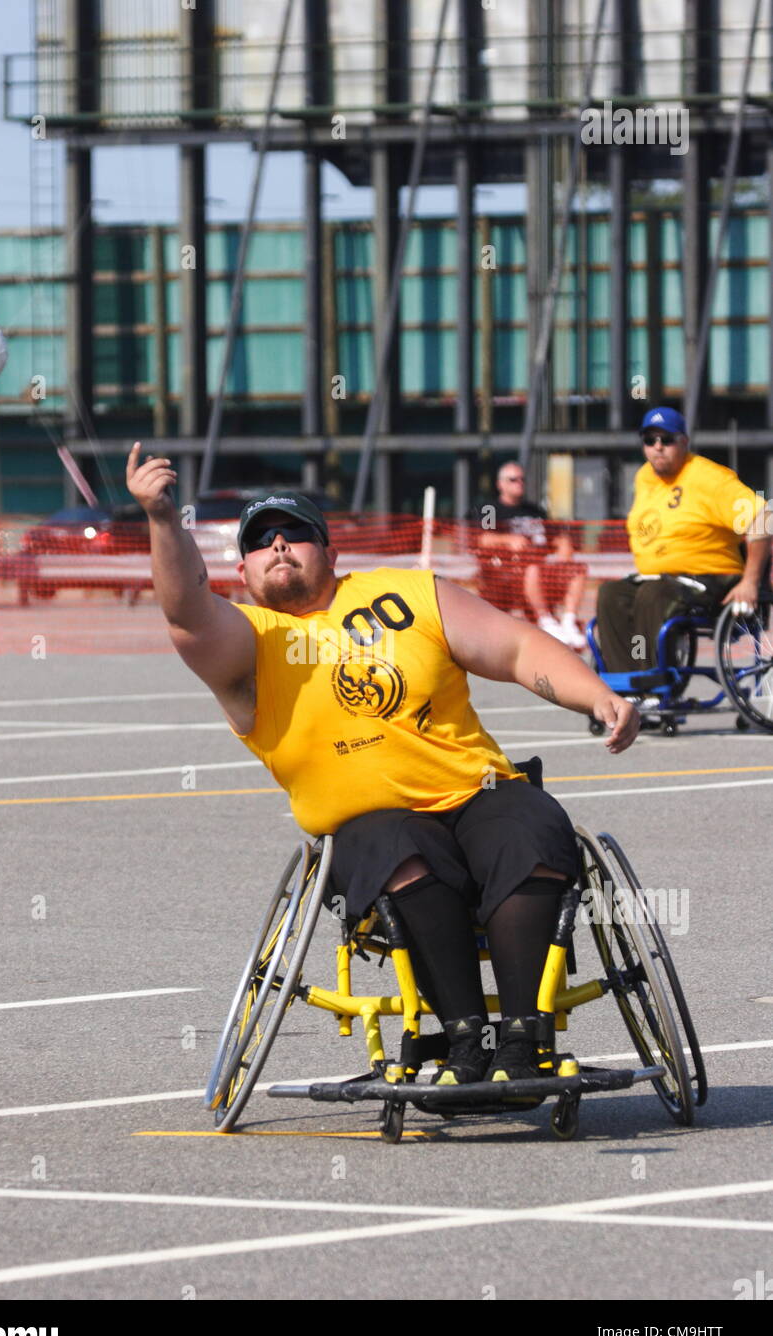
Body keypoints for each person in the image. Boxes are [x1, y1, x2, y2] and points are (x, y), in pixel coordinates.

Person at [127, 444, 638, 1092]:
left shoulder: (406, 593)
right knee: (400, 851)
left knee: (530, 824)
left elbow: (514, 648)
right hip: (371, 827)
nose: (279, 544)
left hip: (474, 791)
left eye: (296, 533)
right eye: (261, 541)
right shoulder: (245, 643)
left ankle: (522, 1036)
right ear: (246, 568)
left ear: (330, 552)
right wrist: (164, 518)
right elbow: (184, 609)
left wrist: (597, 697)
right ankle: (464, 1041)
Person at [596, 407, 771, 673]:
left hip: (712, 578)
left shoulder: (708, 478)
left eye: (666, 440)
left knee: (653, 594)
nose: (658, 447)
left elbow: (764, 516)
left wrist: (750, 581)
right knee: (610, 594)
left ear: (684, 442)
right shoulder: (644, 476)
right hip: (661, 578)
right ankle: (623, 680)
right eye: (649, 440)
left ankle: (653, 679)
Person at [477, 461, 588, 650]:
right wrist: (509, 540)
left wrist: (562, 545)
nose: (519, 483)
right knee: (532, 566)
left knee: (577, 569)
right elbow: (483, 539)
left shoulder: (535, 510)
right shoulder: (491, 509)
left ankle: (568, 621)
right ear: (500, 484)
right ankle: (546, 620)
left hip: (544, 568)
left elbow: (553, 538)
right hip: (510, 571)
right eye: (513, 479)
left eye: (522, 479)